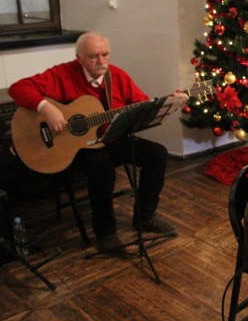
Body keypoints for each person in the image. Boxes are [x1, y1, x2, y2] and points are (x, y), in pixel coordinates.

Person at [8, 32, 184, 253]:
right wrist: (46, 107)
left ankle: (145, 217)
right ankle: (106, 233)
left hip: (111, 138)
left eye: (105, 55)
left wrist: (170, 103)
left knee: (157, 154)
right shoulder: (63, 74)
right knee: (102, 169)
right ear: (79, 57)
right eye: (93, 56)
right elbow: (18, 88)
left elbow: (142, 104)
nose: (101, 61)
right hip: (74, 146)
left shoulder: (117, 76)